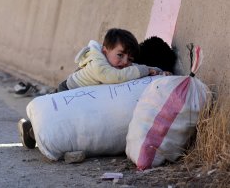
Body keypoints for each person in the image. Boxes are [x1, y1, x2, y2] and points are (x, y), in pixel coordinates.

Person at [18, 28, 167, 149]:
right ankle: (31, 131)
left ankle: (31, 126)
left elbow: (133, 69)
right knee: (54, 118)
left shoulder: (117, 64)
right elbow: (114, 77)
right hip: (68, 91)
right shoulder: (99, 65)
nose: (124, 62)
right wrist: (144, 70)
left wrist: (155, 70)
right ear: (104, 51)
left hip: (81, 94)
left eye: (130, 59)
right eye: (120, 55)